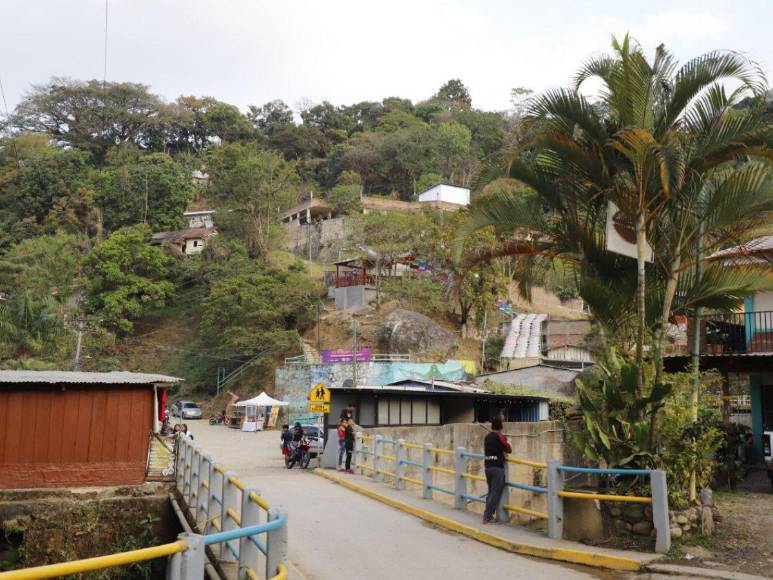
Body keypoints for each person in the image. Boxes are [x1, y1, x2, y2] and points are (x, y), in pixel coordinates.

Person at [483, 416, 511, 524]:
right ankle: (487, 516)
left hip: (488, 466)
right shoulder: (500, 437)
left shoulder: (487, 437)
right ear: (501, 426)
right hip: (497, 468)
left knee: (491, 492)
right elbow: (509, 449)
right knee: (494, 493)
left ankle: (487, 514)